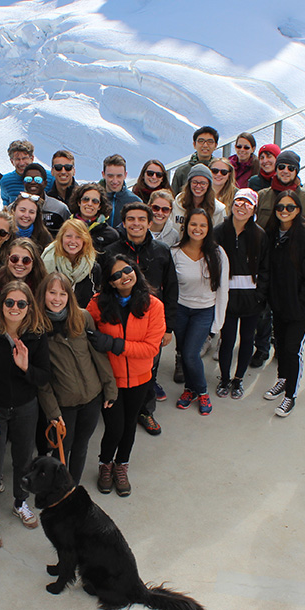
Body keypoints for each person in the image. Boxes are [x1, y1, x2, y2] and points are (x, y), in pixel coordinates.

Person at [0, 281, 52, 549]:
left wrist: (26, 367)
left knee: (23, 461)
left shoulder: (37, 335)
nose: (14, 308)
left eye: (21, 303)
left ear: (29, 307)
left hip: (26, 408)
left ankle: (19, 502)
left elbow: (43, 377)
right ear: (1, 305)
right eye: (9, 303)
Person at [87, 255, 165, 497]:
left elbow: (152, 349)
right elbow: (86, 334)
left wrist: (114, 344)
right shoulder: (97, 304)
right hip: (111, 380)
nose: (124, 276)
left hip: (140, 379)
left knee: (129, 424)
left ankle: (121, 466)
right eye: (116, 275)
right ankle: (105, 465)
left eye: (127, 270)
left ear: (135, 271)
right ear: (109, 282)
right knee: (114, 426)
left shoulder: (154, 305)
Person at [36, 272, 117, 485]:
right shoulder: (37, 328)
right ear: (43, 295)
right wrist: (52, 412)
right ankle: (57, 489)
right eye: (51, 293)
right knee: (62, 449)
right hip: (64, 405)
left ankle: (73, 489)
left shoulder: (82, 317)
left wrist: (110, 387)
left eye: (63, 293)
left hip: (92, 397)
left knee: (82, 447)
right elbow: (42, 381)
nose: (57, 298)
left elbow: (98, 355)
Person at [103, 201, 177, 435]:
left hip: (151, 323)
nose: (136, 223)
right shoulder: (111, 251)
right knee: (116, 366)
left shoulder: (162, 250)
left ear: (150, 222)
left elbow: (172, 289)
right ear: (123, 223)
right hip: (118, 319)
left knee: (149, 369)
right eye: (131, 219)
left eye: (141, 219)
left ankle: (145, 410)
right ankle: (115, 406)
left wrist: (169, 328)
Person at [261, 190, 305, 418]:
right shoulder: (272, 235)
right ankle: (282, 379)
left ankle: (291, 395)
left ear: (298, 210)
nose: (284, 211)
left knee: (292, 349)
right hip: (279, 305)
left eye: (290, 207)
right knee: (281, 346)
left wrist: (300, 303)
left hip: (300, 309)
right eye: (280, 207)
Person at [171, 208, 229, 415]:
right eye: (193, 224)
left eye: (202, 225)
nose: (197, 229)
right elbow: (169, 287)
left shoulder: (218, 253)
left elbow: (223, 289)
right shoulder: (175, 252)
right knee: (183, 352)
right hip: (180, 310)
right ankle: (190, 390)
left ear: (209, 228)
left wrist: (217, 323)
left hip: (204, 311)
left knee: (190, 354)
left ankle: (202, 391)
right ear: (186, 226)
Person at [215, 188, 267, 400]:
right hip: (227, 298)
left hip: (250, 300)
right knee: (227, 340)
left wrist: (260, 295)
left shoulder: (259, 235)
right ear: (232, 205)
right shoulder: (219, 232)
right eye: (238, 202)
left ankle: (238, 379)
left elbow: (265, 268)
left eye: (247, 204)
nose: (242, 207)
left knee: (247, 340)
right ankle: (225, 378)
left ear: (254, 208)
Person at [254, 150, 305, 239]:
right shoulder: (261, 196)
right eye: (281, 167)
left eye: (291, 168)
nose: (285, 171)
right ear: (276, 169)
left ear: (296, 171)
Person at [41, 219, 100, 307]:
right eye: (68, 236)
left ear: (85, 240)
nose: (73, 241)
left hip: (82, 317)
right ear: (61, 238)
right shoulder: (48, 261)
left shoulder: (93, 268)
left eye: (78, 237)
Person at [0, 237, 45, 317]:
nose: (19, 263)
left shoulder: (42, 290)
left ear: (34, 263)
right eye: (14, 259)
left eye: (26, 260)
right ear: (7, 259)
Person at [172, 165, 227, 233]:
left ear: (209, 185)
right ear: (189, 183)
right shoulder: (177, 205)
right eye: (195, 182)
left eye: (203, 183)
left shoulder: (219, 210)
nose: (198, 186)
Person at [70, 182, 119, 255]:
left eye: (95, 201)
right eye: (85, 199)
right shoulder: (66, 228)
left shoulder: (111, 235)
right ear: (79, 202)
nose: (89, 204)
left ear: (100, 206)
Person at [0, 139, 50, 207]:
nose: (21, 163)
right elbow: (6, 207)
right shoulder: (5, 181)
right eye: (17, 159)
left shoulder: (49, 177)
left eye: (24, 158)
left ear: (32, 158)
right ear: (12, 161)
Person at [22, 163, 70, 234]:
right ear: (23, 182)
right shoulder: (14, 209)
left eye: (38, 179)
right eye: (28, 179)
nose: (32, 182)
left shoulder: (60, 208)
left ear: (45, 183)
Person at [170, 126, 219, 194]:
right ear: (194, 144)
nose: (205, 145)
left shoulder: (220, 171)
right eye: (201, 141)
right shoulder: (182, 171)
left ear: (216, 145)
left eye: (210, 142)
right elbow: (173, 197)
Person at [101, 154, 141, 227]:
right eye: (110, 176)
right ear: (103, 174)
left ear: (125, 175)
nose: (115, 181)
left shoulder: (134, 201)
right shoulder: (94, 198)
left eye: (119, 176)